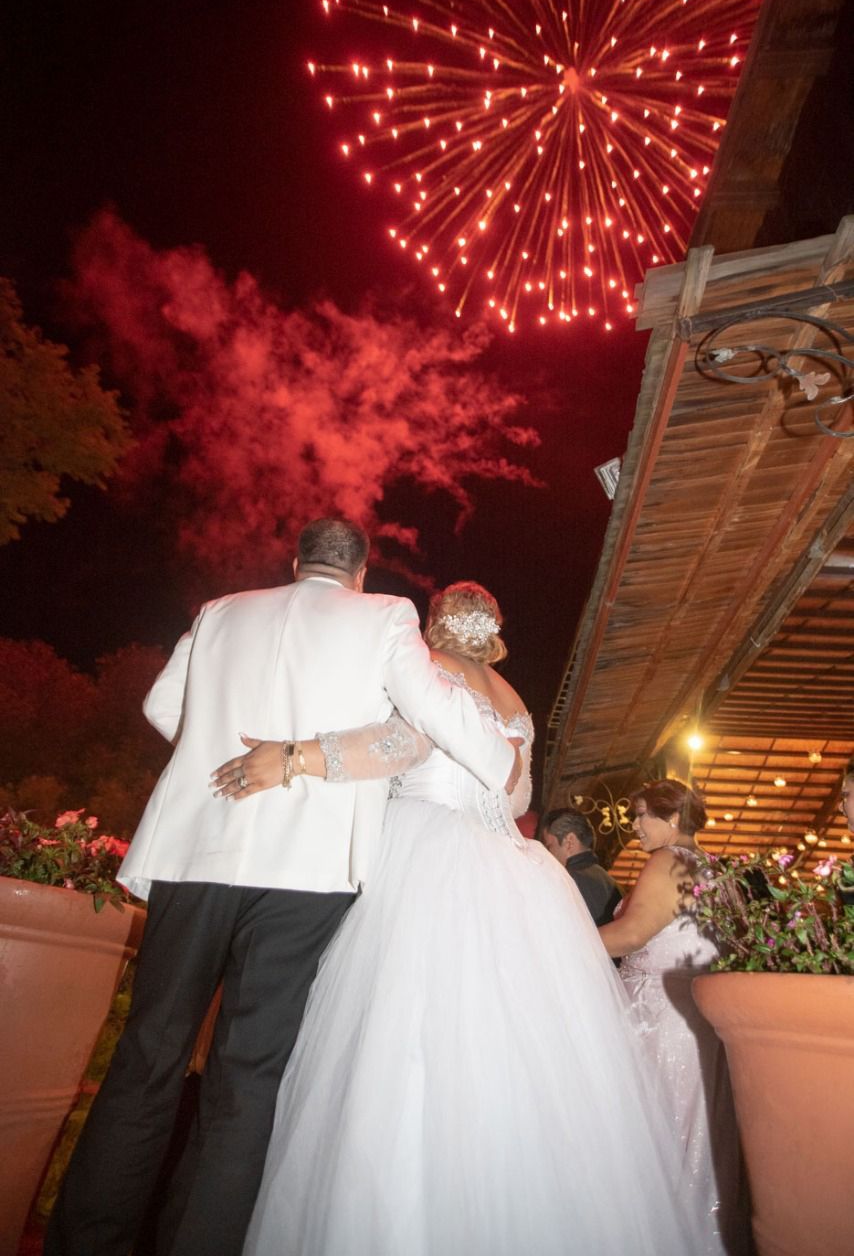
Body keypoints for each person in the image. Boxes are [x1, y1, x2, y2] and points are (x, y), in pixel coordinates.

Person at [45, 521, 517, 1256]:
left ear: (296, 563)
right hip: (307, 869)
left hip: (197, 853)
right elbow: (434, 714)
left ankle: (85, 1242)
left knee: (147, 1055)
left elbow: (162, 707)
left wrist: (216, 755)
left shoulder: (220, 611)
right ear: (361, 573)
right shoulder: (386, 616)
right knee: (248, 1072)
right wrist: (501, 762)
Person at [212, 583, 705, 1256]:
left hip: (427, 849)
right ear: (494, 630)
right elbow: (518, 796)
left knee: (402, 1034)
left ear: (434, 623)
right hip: (510, 866)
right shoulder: (515, 701)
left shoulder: (428, 670)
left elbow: (400, 744)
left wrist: (297, 757)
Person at [599, 779, 750, 1256]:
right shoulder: (716, 868)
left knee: (654, 1132)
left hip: (658, 1019)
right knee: (691, 1135)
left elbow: (631, 934)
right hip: (695, 1020)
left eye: (642, 814)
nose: (634, 825)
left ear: (672, 818)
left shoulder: (667, 860)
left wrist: (559, 937)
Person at [540, 807, 622, 925]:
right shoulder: (609, 881)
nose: (547, 855)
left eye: (549, 847)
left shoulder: (566, 880)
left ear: (569, 841)